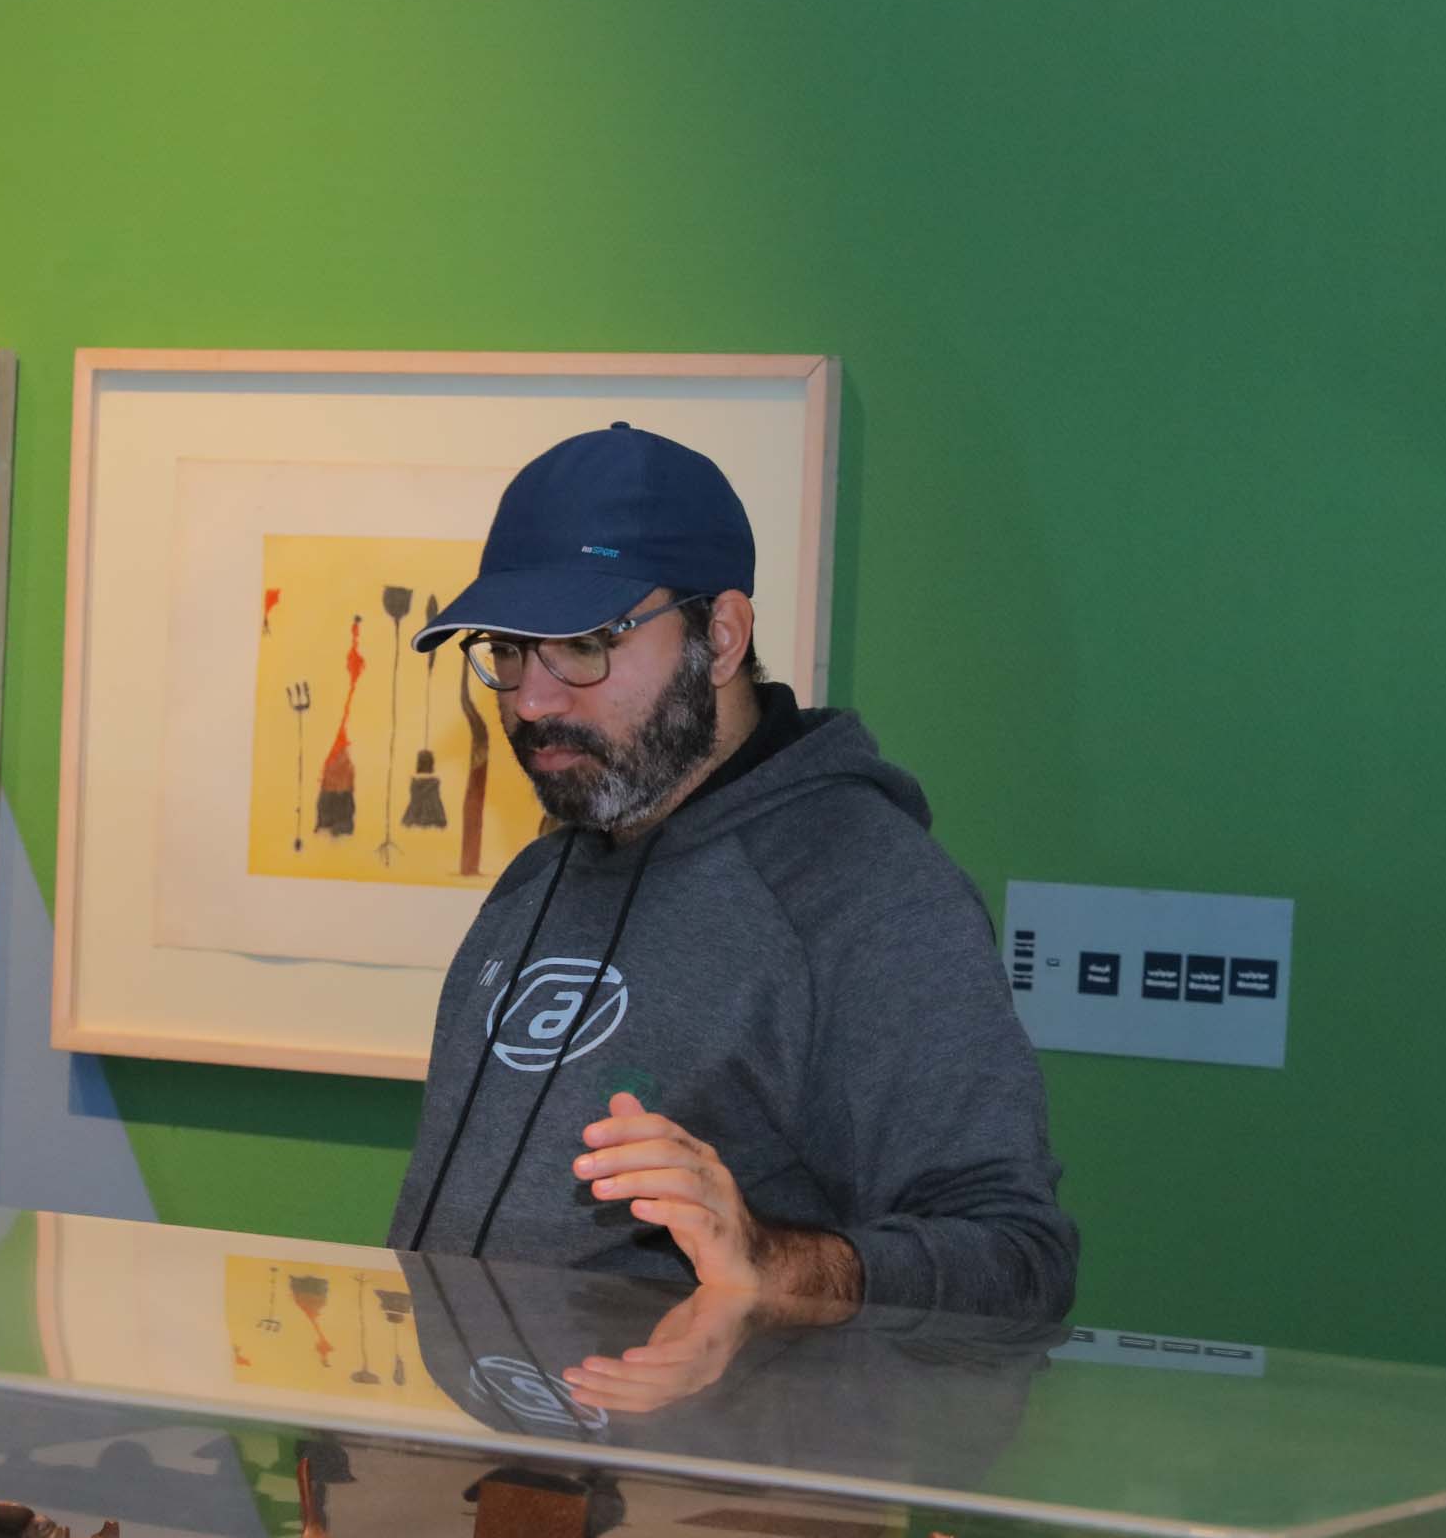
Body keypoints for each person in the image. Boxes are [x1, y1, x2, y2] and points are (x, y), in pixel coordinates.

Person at [386, 422, 1077, 1341]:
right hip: (474, 1435)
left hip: (734, 1438)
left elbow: (1020, 1259)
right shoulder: (541, 875)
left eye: (584, 643)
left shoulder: (869, 891)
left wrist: (771, 1260)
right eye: (508, 649)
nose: (530, 699)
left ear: (720, 636)